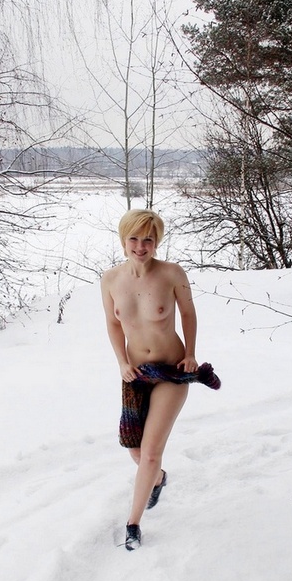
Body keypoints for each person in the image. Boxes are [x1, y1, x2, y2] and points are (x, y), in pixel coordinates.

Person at [101, 208, 220, 550]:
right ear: (123, 240)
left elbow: (188, 313)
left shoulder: (172, 273)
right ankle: (158, 479)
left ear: (157, 243)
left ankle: (133, 524)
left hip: (171, 370)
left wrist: (191, 354)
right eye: (134, 239)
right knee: (136, 451)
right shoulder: (110, 279)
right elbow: (113, 324)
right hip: (135, 374)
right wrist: (121, 362)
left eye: (148, 240)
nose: (141, 246)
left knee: (151, 453)